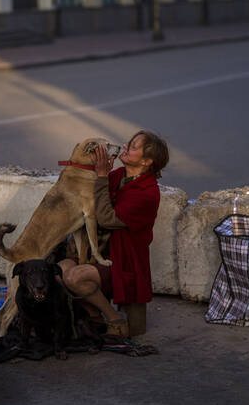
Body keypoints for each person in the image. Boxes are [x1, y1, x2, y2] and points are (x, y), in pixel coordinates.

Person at [57, 130, 169, 338]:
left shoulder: (147, 193)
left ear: (146, 161)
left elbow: (107, 218)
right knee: (58, 272)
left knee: (74, 277)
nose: (125, 148)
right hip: (96, 249)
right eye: (129, 144)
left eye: (133, 147)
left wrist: (101, 177)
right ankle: (94, 316)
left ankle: (115, 319)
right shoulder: (117, 176)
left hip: (121, 259)